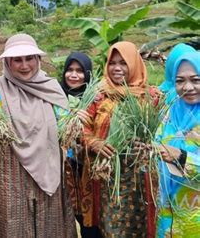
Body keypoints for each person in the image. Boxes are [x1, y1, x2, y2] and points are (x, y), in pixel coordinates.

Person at [0, 34, 76, 237]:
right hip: (8, 173)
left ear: (37, 60)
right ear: (7, 62)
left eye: (29, 58)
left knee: (49, 225)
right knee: (10, 225)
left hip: (47, 169)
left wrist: (75, 125)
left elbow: (64, 125)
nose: (24, 65)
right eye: (17, 60)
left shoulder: (51, 88)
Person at [80, 41, 158, 237]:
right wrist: (94, 143)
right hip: (108, 177)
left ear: (134, 63)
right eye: (112, 63)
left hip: (140, 179)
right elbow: (82, 127)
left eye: (123, 63)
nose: (117, 68)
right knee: (112, 228)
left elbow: (163, 132)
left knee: (142, 227)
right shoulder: (98, 96)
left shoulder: (152, 97)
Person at [155, 51, 200, 237]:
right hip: (168, 214)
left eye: (195, 79)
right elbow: (156, 142)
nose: (187, 87)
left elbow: (177, 154)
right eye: (180, 80)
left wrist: (182, 156)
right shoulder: (168, 114)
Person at [60, 52, 101, 238]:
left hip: (92, 172)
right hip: (66, 174)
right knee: (77, 218)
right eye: (70, 70)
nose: (74, 75)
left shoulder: (97, 100)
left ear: (88, 74)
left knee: (93, 223)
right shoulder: (55, 97)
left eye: (79, 71)